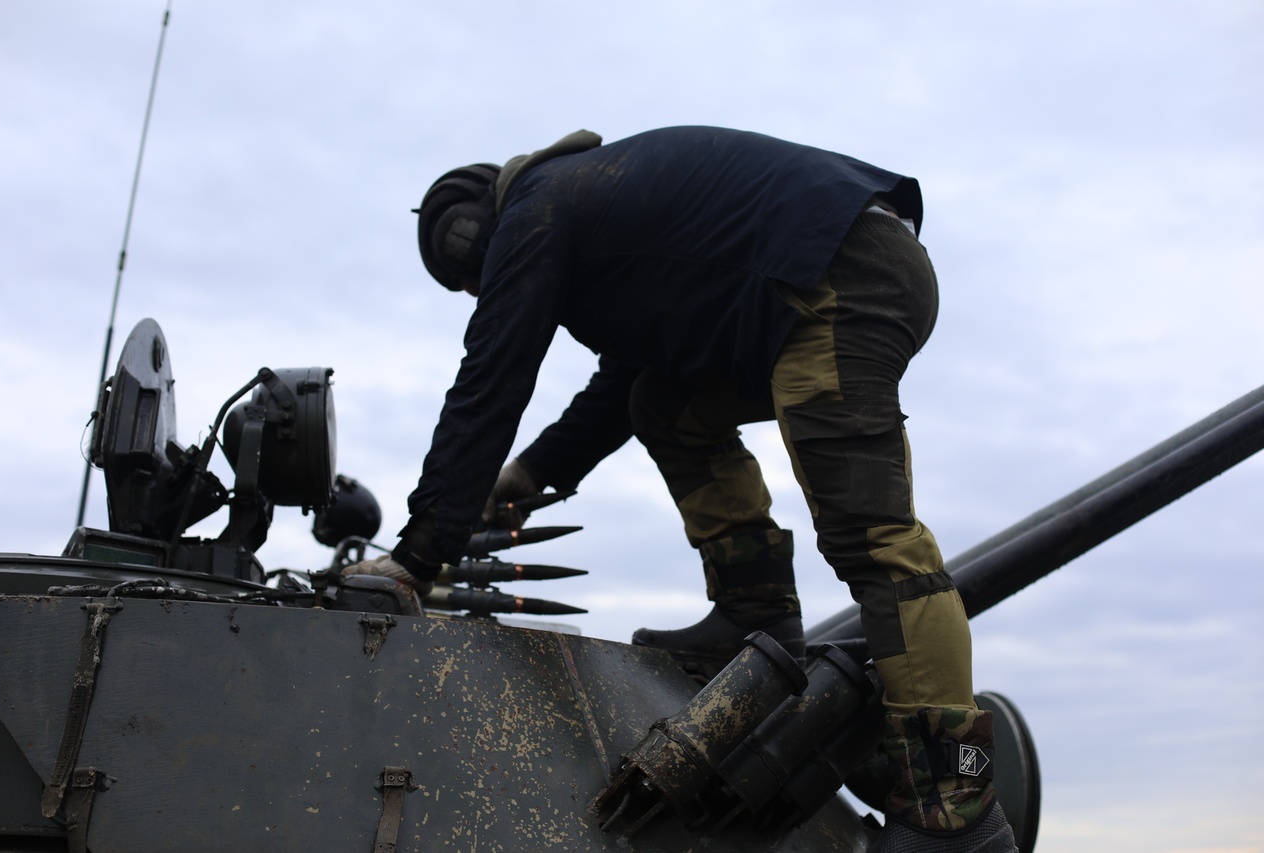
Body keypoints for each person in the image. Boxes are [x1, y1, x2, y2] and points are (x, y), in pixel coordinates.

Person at [392, 127, 1016, 851]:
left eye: (473, 277)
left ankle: (953, 812)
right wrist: (530, 474)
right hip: (815, 275)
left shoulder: (539, 205)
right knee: (663, 402)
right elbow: (621, 380)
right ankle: (755, 607)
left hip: (838, 274)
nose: (481, 287)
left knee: (876, 541)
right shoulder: (590, 206)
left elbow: (492, 373)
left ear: (468, 236)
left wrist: (419, 554)